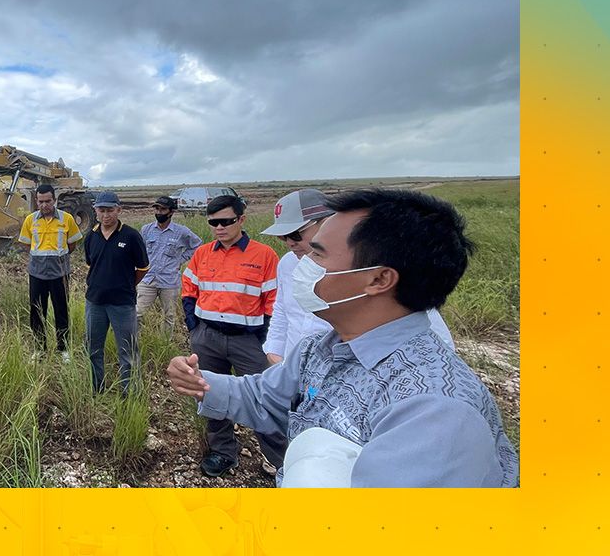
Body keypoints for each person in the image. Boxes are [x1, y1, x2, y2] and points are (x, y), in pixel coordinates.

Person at [167, 189, 518, 487]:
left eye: (317, 254)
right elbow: (263, 397)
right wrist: (200, 383)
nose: (302, 263)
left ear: (379, 280)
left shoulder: (434, 413)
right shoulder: (322, 348)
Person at [261, 189, 454, 365]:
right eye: (282, 237)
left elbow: (427, 329)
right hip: (293, 371)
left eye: (295, 234)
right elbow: (282, 311)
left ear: (328, 221)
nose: (289, 243)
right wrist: (274, 351)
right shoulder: (287, 264)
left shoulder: (362, 267)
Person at [181, 194, 288, 477]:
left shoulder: (264, 256)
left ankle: (279, 459)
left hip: (247, 342)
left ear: (241, 219)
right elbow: (188, 290)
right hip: (207, 338)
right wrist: (195, 327)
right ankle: (223, 452)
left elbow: (273, 302)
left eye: (226, 221)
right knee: (210, 395)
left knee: (265, 398)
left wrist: (262, 340)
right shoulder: (202, 254)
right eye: (214, 222)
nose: (219, 227)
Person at [84, 192, 149, 394]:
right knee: (93, 349)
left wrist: (127, 284)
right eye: (101, 210)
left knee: (128, 351)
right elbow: (91, 264)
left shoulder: (131, 236)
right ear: (95, 212)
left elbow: (143, 268)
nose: (106, 215)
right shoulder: (91, 236)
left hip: (122, 303)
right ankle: (97, 388)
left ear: (119, 210)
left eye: (110, 210)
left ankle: (128, 392)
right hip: (95, 302)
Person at [18, 184, 83, 360]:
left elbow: (72, 244)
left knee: (61, 311)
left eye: (48, 201)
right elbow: (26, 244)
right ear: (36, 201)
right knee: (37, 312)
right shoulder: (30, 220)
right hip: (37, 274)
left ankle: (63, 349)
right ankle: (39, 349)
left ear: (54, 200)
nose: (44, 205)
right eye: (41, 201)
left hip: (60, 274)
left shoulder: (67, 218)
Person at [137, 195, 201, 339]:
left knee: (169, 315)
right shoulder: (146, 230)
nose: (159, 212)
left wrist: (181, 259)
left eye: (163, 209)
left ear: (171, 212)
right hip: (148, 280)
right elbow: (139, 250)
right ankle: (134, 341)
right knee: (137, 313)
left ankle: (165, 342)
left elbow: (197, 245)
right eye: (157, 209)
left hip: (169, 281)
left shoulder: (182, 231)